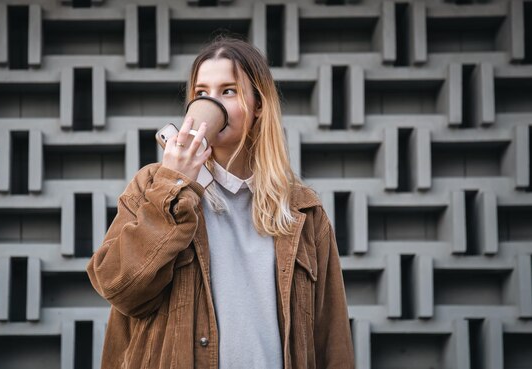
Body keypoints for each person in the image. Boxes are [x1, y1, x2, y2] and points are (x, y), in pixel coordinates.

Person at [86, 36, 354, 369]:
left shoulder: (302, 209)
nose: (213, 103)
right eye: (201, 93)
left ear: (258, 105)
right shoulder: (152, 187)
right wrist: (173, 185)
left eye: (228, 91)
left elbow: (332, 338)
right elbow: (118, 287)